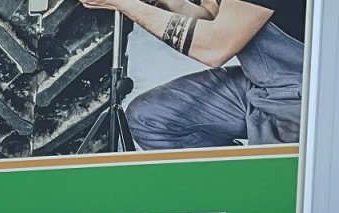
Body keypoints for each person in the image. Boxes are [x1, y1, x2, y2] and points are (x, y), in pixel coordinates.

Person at [79, 0, 306, 149]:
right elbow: (213, 17)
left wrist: (126, 4)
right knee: (150, 117)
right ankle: (228, 193)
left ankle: (253, 195)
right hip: (262, 82)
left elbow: (215, 47)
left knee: (283, 183)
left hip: (304, 91)